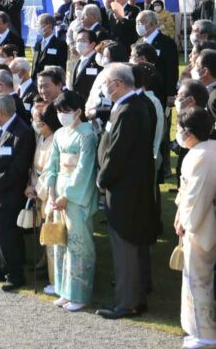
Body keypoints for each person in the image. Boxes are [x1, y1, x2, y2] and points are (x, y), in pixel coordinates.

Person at [95, 63, 160, 319]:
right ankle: (137, 297)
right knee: (133, 246)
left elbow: (117, 153)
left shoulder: (128, 109)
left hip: (124, 190)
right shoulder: (133, 105)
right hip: (131, 188)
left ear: (118, 84)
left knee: (126, 248)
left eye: (106, 83)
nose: (104, 88)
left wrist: (102, 179)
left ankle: (127, 303)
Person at [43, 91, 98, 312]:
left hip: (77, 195)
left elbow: (84, 169)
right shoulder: (59, 135)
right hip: (59, 193)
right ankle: (64, 290)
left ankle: (80, 293)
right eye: (58, 111)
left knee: (78, 243)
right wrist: (52, 191)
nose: (61, 115)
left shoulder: (87, 135)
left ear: (78, 111)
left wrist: (68, 196)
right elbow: (52, 165)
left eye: (66, 111)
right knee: (60, 242)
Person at [0, 93, 35, 291]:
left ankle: (14, 275)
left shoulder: (22, 132)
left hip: (7, 193)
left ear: (0, 112)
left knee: (7, 236)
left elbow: (18, 167)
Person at [174, 107, 216, 349]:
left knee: (199, 278)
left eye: (181, 130)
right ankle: (197, 328)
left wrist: (185, 222)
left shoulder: (202, 155)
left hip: (202, 224)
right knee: (195, 277)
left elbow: (197, 196)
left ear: (188, 132)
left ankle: (206, 332)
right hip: (199, 219)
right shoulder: (205, 150)